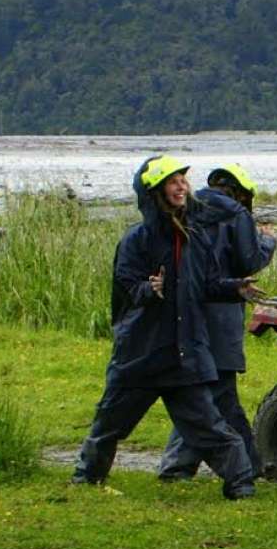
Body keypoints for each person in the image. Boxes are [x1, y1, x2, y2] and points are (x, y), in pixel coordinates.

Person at [71, 156, 263, 499]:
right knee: (109, 424)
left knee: (209, 426)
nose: (182, 187)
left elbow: (205, 284)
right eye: (173, 182)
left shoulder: (194, 236)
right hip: (140, 354)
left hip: (182, 354)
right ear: (155, 192)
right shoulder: (136, 240)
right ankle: (86, 479)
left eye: (183, 181)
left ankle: (241, 485)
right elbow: (126, 288)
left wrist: (234, 288)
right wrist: (149, 290)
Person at [158, 163, 276, 481]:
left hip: (188, 313)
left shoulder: (189, 211)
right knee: (220, 393)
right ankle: (247, 466)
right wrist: (267, 241)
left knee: (203, 392)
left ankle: (179, 466)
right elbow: (248, 260)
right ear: (240, 192)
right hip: (221, 313)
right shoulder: (235, 215)